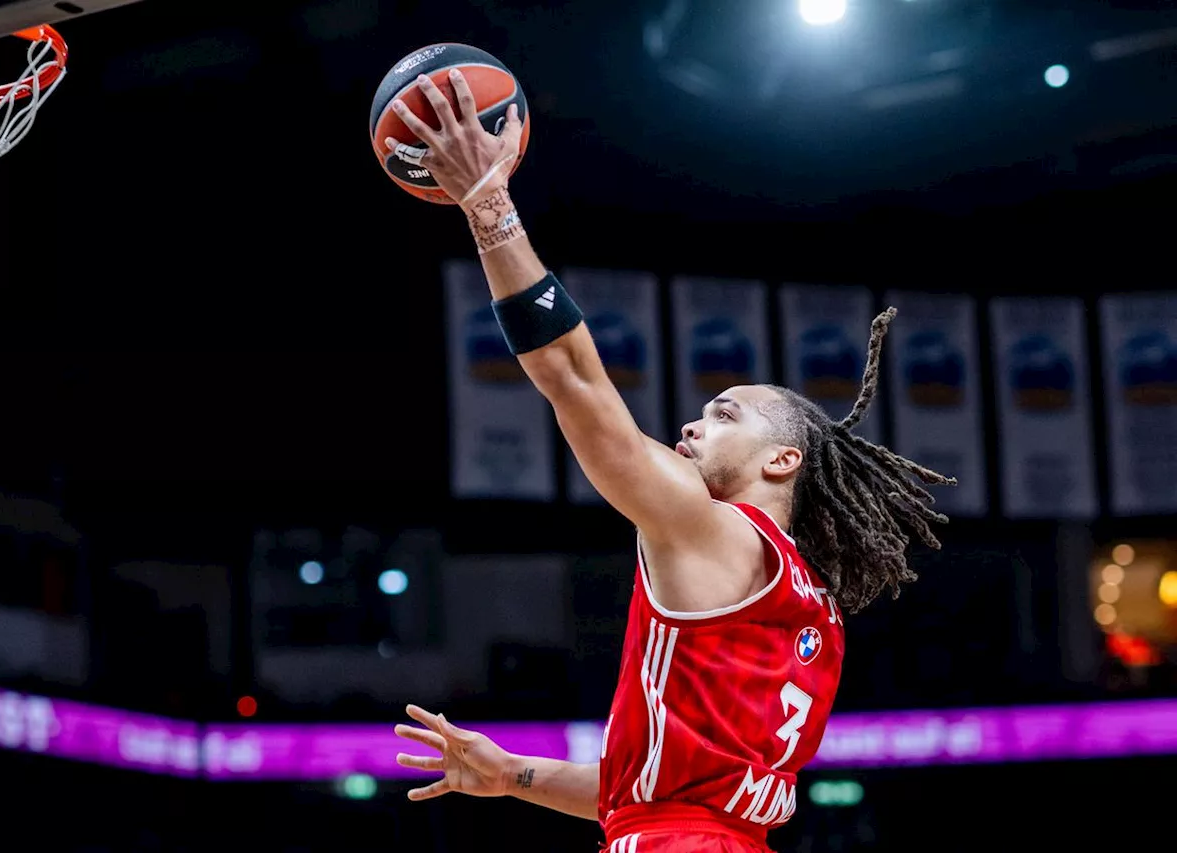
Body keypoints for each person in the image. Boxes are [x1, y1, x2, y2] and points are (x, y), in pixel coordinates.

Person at [386, 72, 955, 852]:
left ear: (783, 458)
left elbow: (572, 375)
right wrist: (515, 774)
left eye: (724, 413)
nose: (690, 425)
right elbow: (653, 795)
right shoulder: (806, 601)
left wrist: (487, 199)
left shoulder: (712, 530)